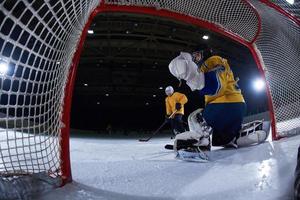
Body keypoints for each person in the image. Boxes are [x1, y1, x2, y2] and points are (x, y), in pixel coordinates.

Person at [168, 48, 267, 151]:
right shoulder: (208, 65)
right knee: (220, 139)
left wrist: (190, 75)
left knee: (195, 117)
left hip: (225, 105)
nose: (195, 58)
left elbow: (216, 86)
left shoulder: (211, 61)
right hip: (237, 106)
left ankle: (200, 143)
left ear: (204, 53)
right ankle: (235, 136)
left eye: (197, 54)